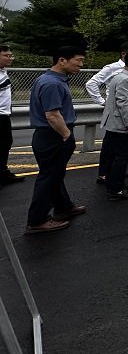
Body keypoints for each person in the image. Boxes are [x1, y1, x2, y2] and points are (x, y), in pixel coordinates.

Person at [25, 46, 88, 234]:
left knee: (55, 174)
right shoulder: (52, 83)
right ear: (62, 60)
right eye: (78, 60)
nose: (81, 65)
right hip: (53, 136)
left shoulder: (51, 80)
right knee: (49, 177)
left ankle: (64, 207)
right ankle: (37, 220)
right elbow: (52, 115)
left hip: (51, 135)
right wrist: (66, 135)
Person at [97, 50, 128, 200]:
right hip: (120, 125)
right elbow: (123, 102)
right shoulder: (125, 79)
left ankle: (115, 183)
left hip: (114, 123)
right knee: (122, 156)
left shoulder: (122, 76)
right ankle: (116, 189)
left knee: (113, 155)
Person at [85, 41, 128, 106]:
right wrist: (102, 101)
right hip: (116, 107)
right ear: (123, 54)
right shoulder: (112, 68)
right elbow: (91, 83)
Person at [1, 45, 25, 186]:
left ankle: (3, 174)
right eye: (7, 56)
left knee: (5, 145)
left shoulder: (3, 71)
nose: (11, 58)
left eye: (11, 55)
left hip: (4, 116)